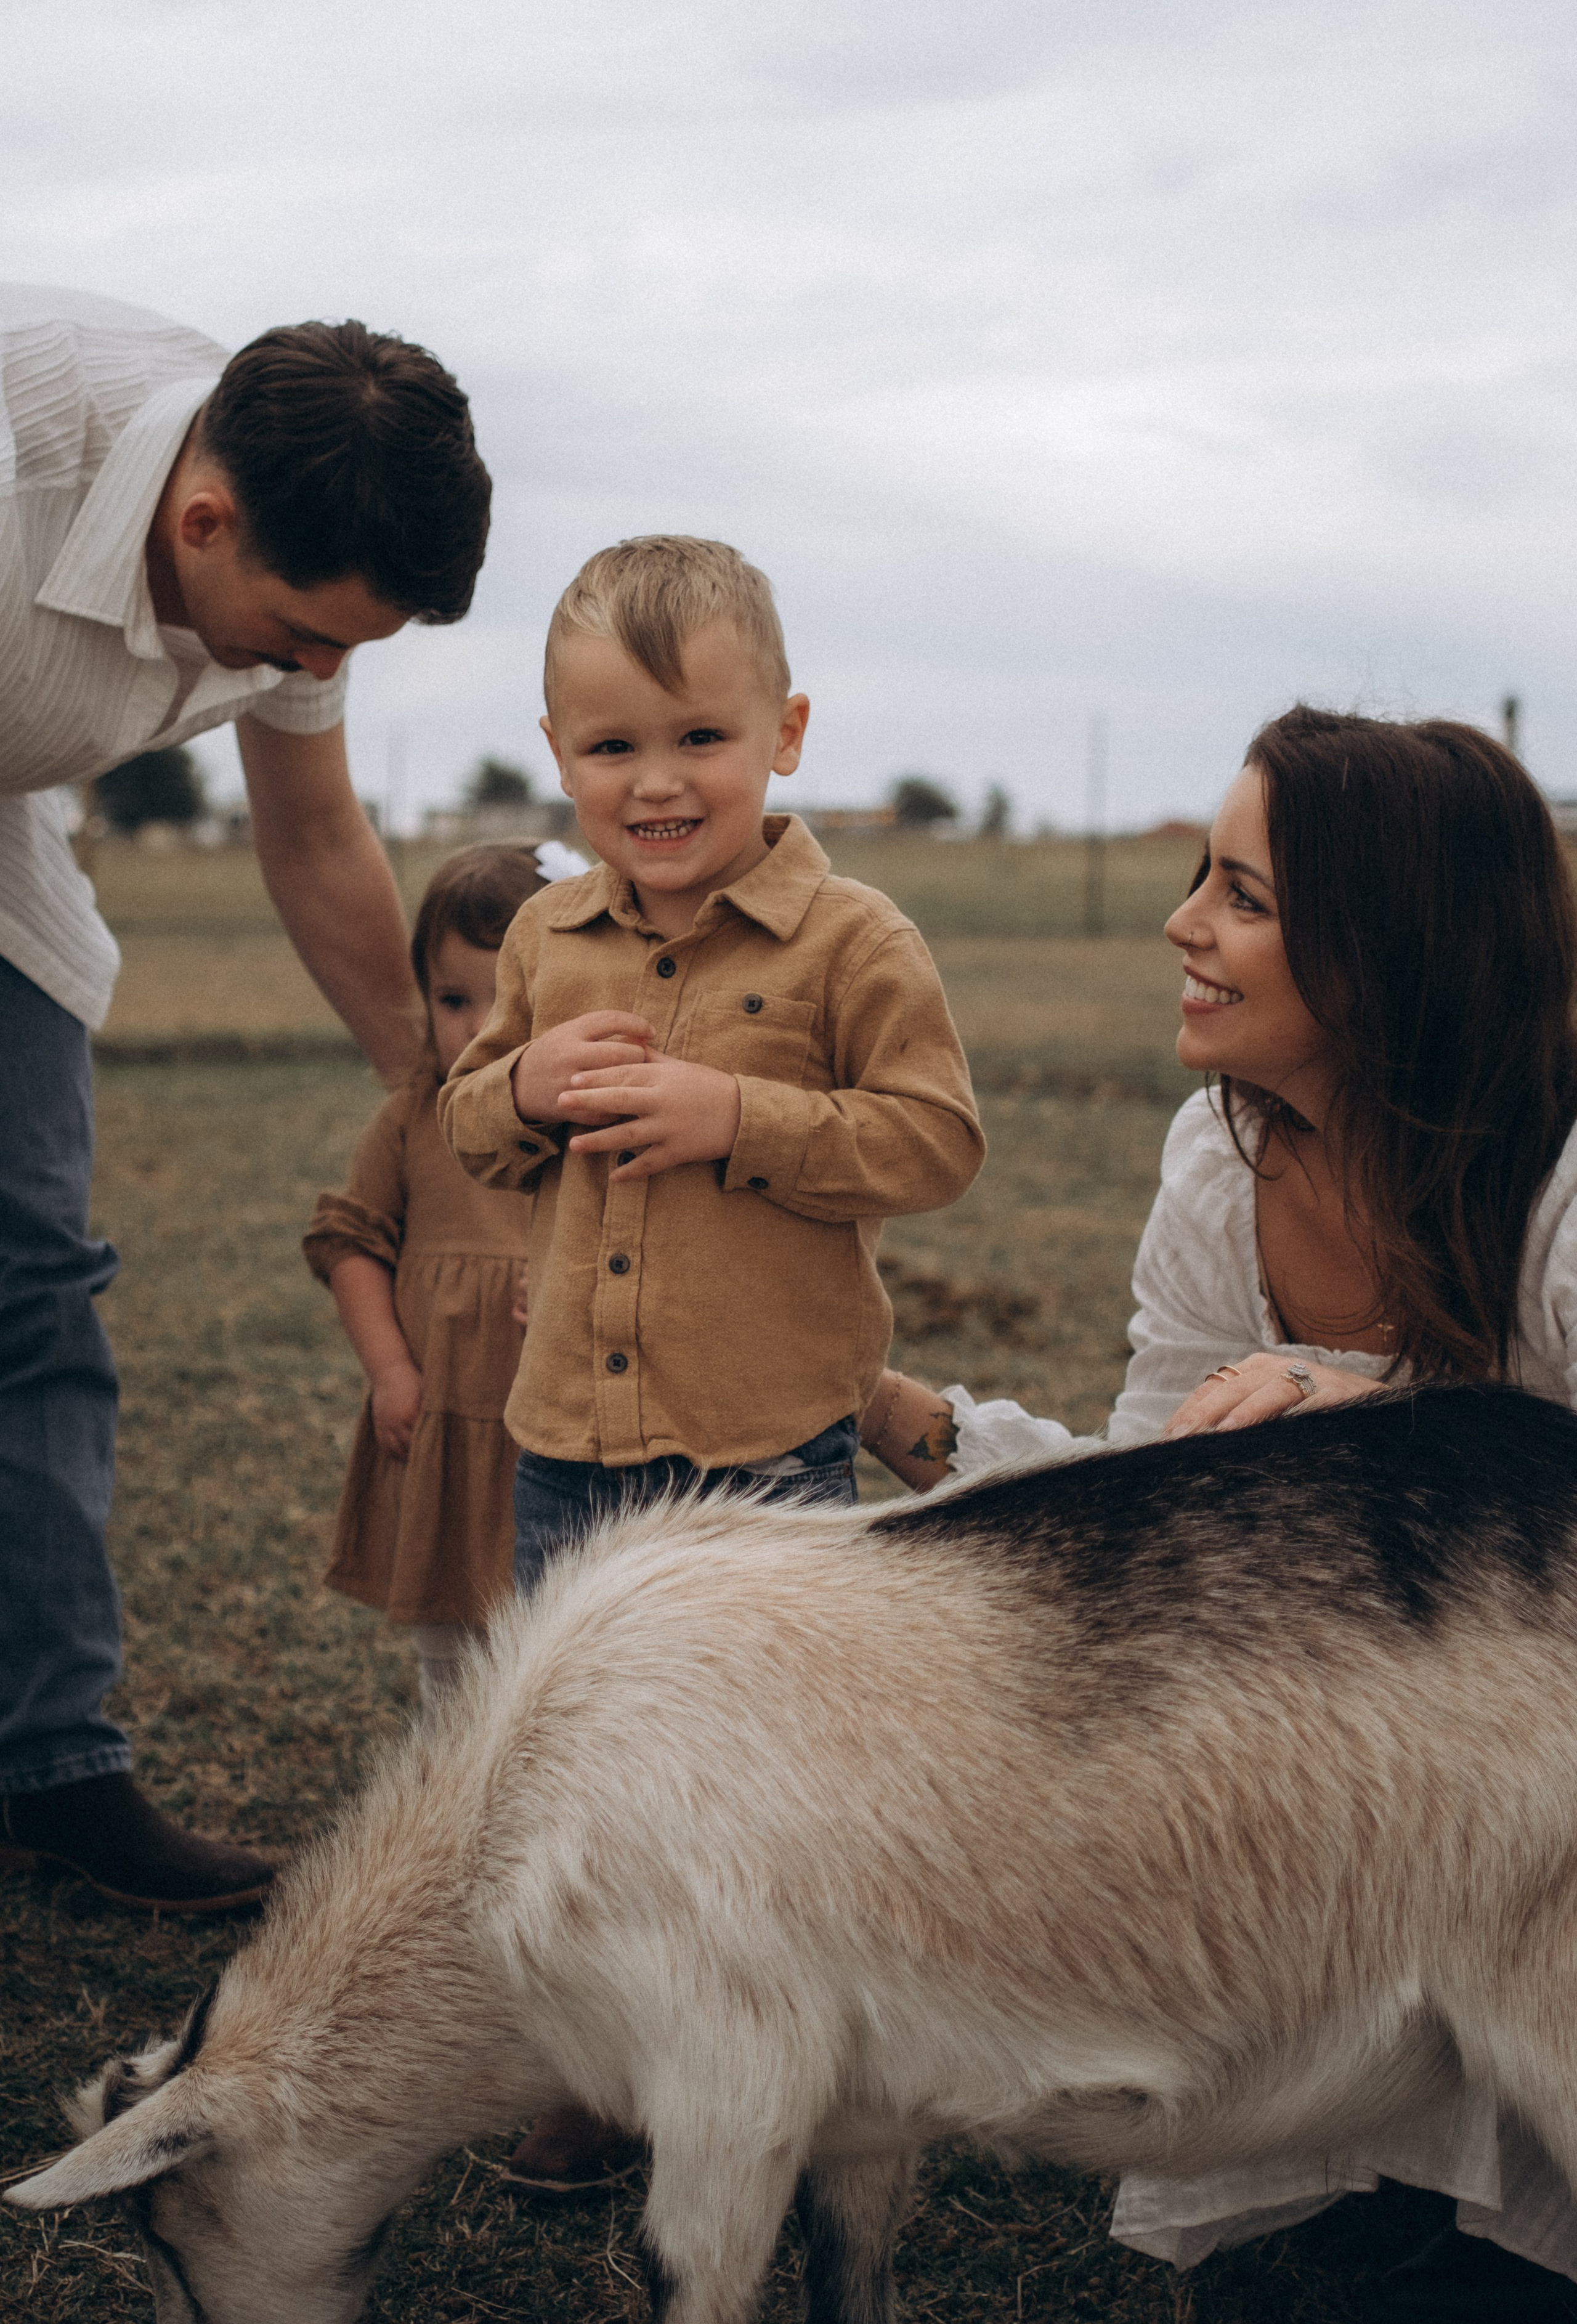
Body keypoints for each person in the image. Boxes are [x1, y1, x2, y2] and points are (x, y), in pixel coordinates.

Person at [861, 704, 1577, 2324]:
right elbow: (1155, 1510)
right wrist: (916, 1429)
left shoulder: (1562, 1179)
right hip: (1436, 1749)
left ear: (1391, 945)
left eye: (1242, 894)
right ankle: (1378, 2163)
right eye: (1200, 877)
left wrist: (1369, 1422)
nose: (1185, 922)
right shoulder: (1220, 1159)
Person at [439, 532, 985, 2191]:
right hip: (570, 1449)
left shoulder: (852, 943)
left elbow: (936, 1140)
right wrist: (526, 1092)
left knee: (771, 1793)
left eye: (700, 739)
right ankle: (602, 2078)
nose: (657, 782)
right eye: (612, 747)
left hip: (761, 1452)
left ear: (788, 734)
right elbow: (464, 1120)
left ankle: (789, 2070)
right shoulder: (546, 941)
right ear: (560, 759)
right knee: (581, 1773)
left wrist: (734, 1116)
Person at [0, 285, 491, 1912]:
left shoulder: (284, 517)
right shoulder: (19, 454)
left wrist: (435, 1099)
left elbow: (311, 836)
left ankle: (51, 1771)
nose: (317, 673)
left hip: (14, 841)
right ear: (200, 520)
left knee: (37, 1297)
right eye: (311, 637)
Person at [303, 840, 591, 1714]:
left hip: (568, 1436)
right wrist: (391, 1370)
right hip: (443, 1428)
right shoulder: (413, 1120)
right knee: (456, 1666)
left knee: (566, 1654)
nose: (473, 1027)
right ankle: (452, 1805)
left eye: (508, 1000)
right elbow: (350, 1243)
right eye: (451, 999)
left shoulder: (599, 1125)